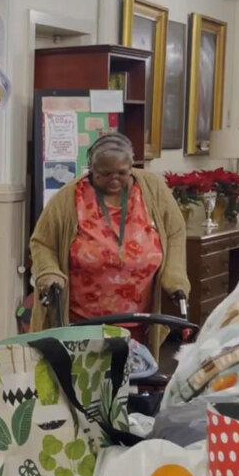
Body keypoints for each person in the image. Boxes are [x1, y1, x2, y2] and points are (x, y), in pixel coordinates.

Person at [30, 132, 190, 352]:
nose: (114, 179)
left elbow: (175, 232)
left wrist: (175, 275)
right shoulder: (68, 198)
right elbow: (42, 243)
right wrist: (49, 272)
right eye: (105, 174)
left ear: (131, 166)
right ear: (91, 169)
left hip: (140, 320)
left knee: (135, 377)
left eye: (122, 173)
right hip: (83, 322)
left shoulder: (152, 188)